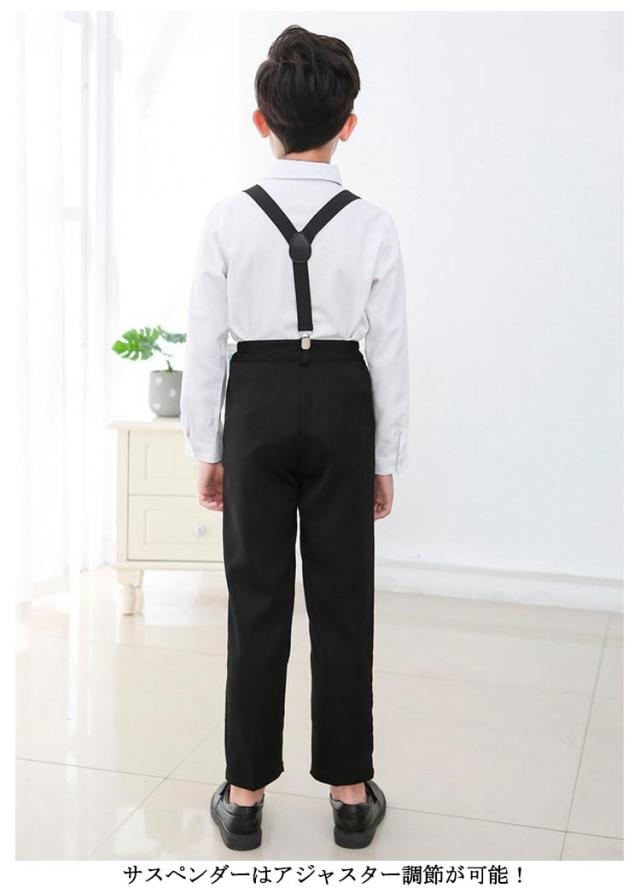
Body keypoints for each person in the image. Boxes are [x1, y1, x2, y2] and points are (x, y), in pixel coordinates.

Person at [180, 24, 409, 851]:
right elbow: (390, 350)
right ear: (349, 123)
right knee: (344, 599)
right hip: (343, 398)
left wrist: (207, 448)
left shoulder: (227, 219)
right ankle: (349, 792)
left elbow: (205, 342)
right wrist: (385, 458)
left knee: (258, 598)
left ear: (260, 120)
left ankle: (244, 796)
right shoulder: (373, 223)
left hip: (258, 403)